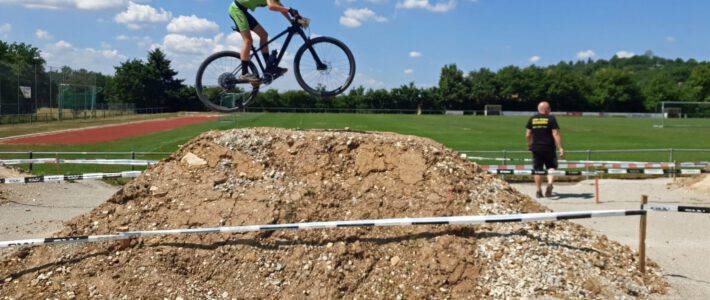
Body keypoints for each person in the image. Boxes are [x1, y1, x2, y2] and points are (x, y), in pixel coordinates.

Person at [229, 0, 298, 82]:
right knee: (248, 40)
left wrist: (291, 21)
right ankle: (244, 73)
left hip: (243, 11)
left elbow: (281, 9)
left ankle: (269, 67)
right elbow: (271, 7)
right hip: (236, 10)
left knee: (264, 35)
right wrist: (290, 10)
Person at [525, 101, 565, 198]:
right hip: (549, 147)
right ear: (547, 110)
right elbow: (555, 134)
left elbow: (528, 134)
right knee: (551, 167)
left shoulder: (532, 119)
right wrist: (561, 148)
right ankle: (550, 183)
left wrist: (529, 145)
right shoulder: (551, 118)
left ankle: (538, 191)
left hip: (536, 147)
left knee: (537, 169)